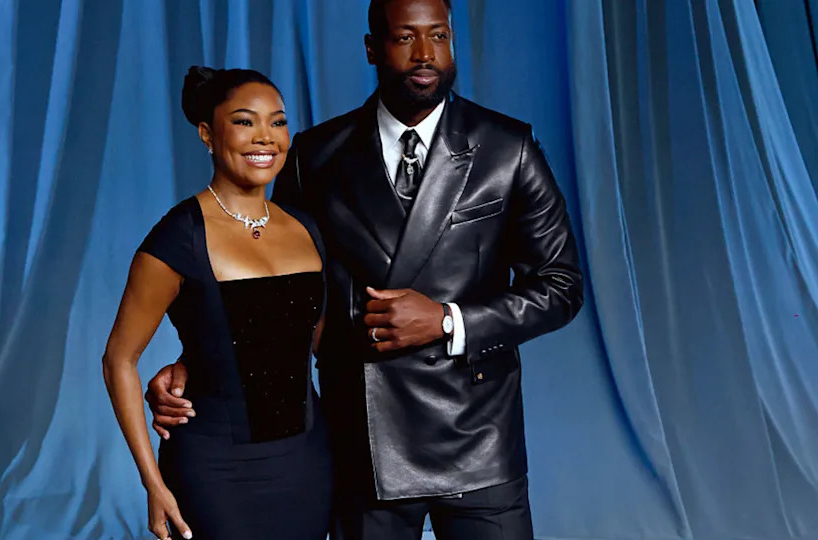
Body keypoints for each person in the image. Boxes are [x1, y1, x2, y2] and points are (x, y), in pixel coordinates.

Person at [147, 0, 584, 537]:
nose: (425, 54)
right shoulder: (315, 156)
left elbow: (562, 286)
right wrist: (201, 363)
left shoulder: (507, 147)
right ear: (372, 48)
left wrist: (448, 321)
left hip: (478, 436)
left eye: (439, 36)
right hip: (361, 439)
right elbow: (277, 292)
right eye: (405, 38)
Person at [102, 66, 332, 540]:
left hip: (308, 465)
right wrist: (153, 483)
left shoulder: (307, 229)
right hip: (214, 470)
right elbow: (118, 359)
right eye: (245, 121)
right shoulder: (179, 236)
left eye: (278, 122)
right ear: (207, 134)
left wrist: (192, 359)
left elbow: (309, 343)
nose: (265, 136)